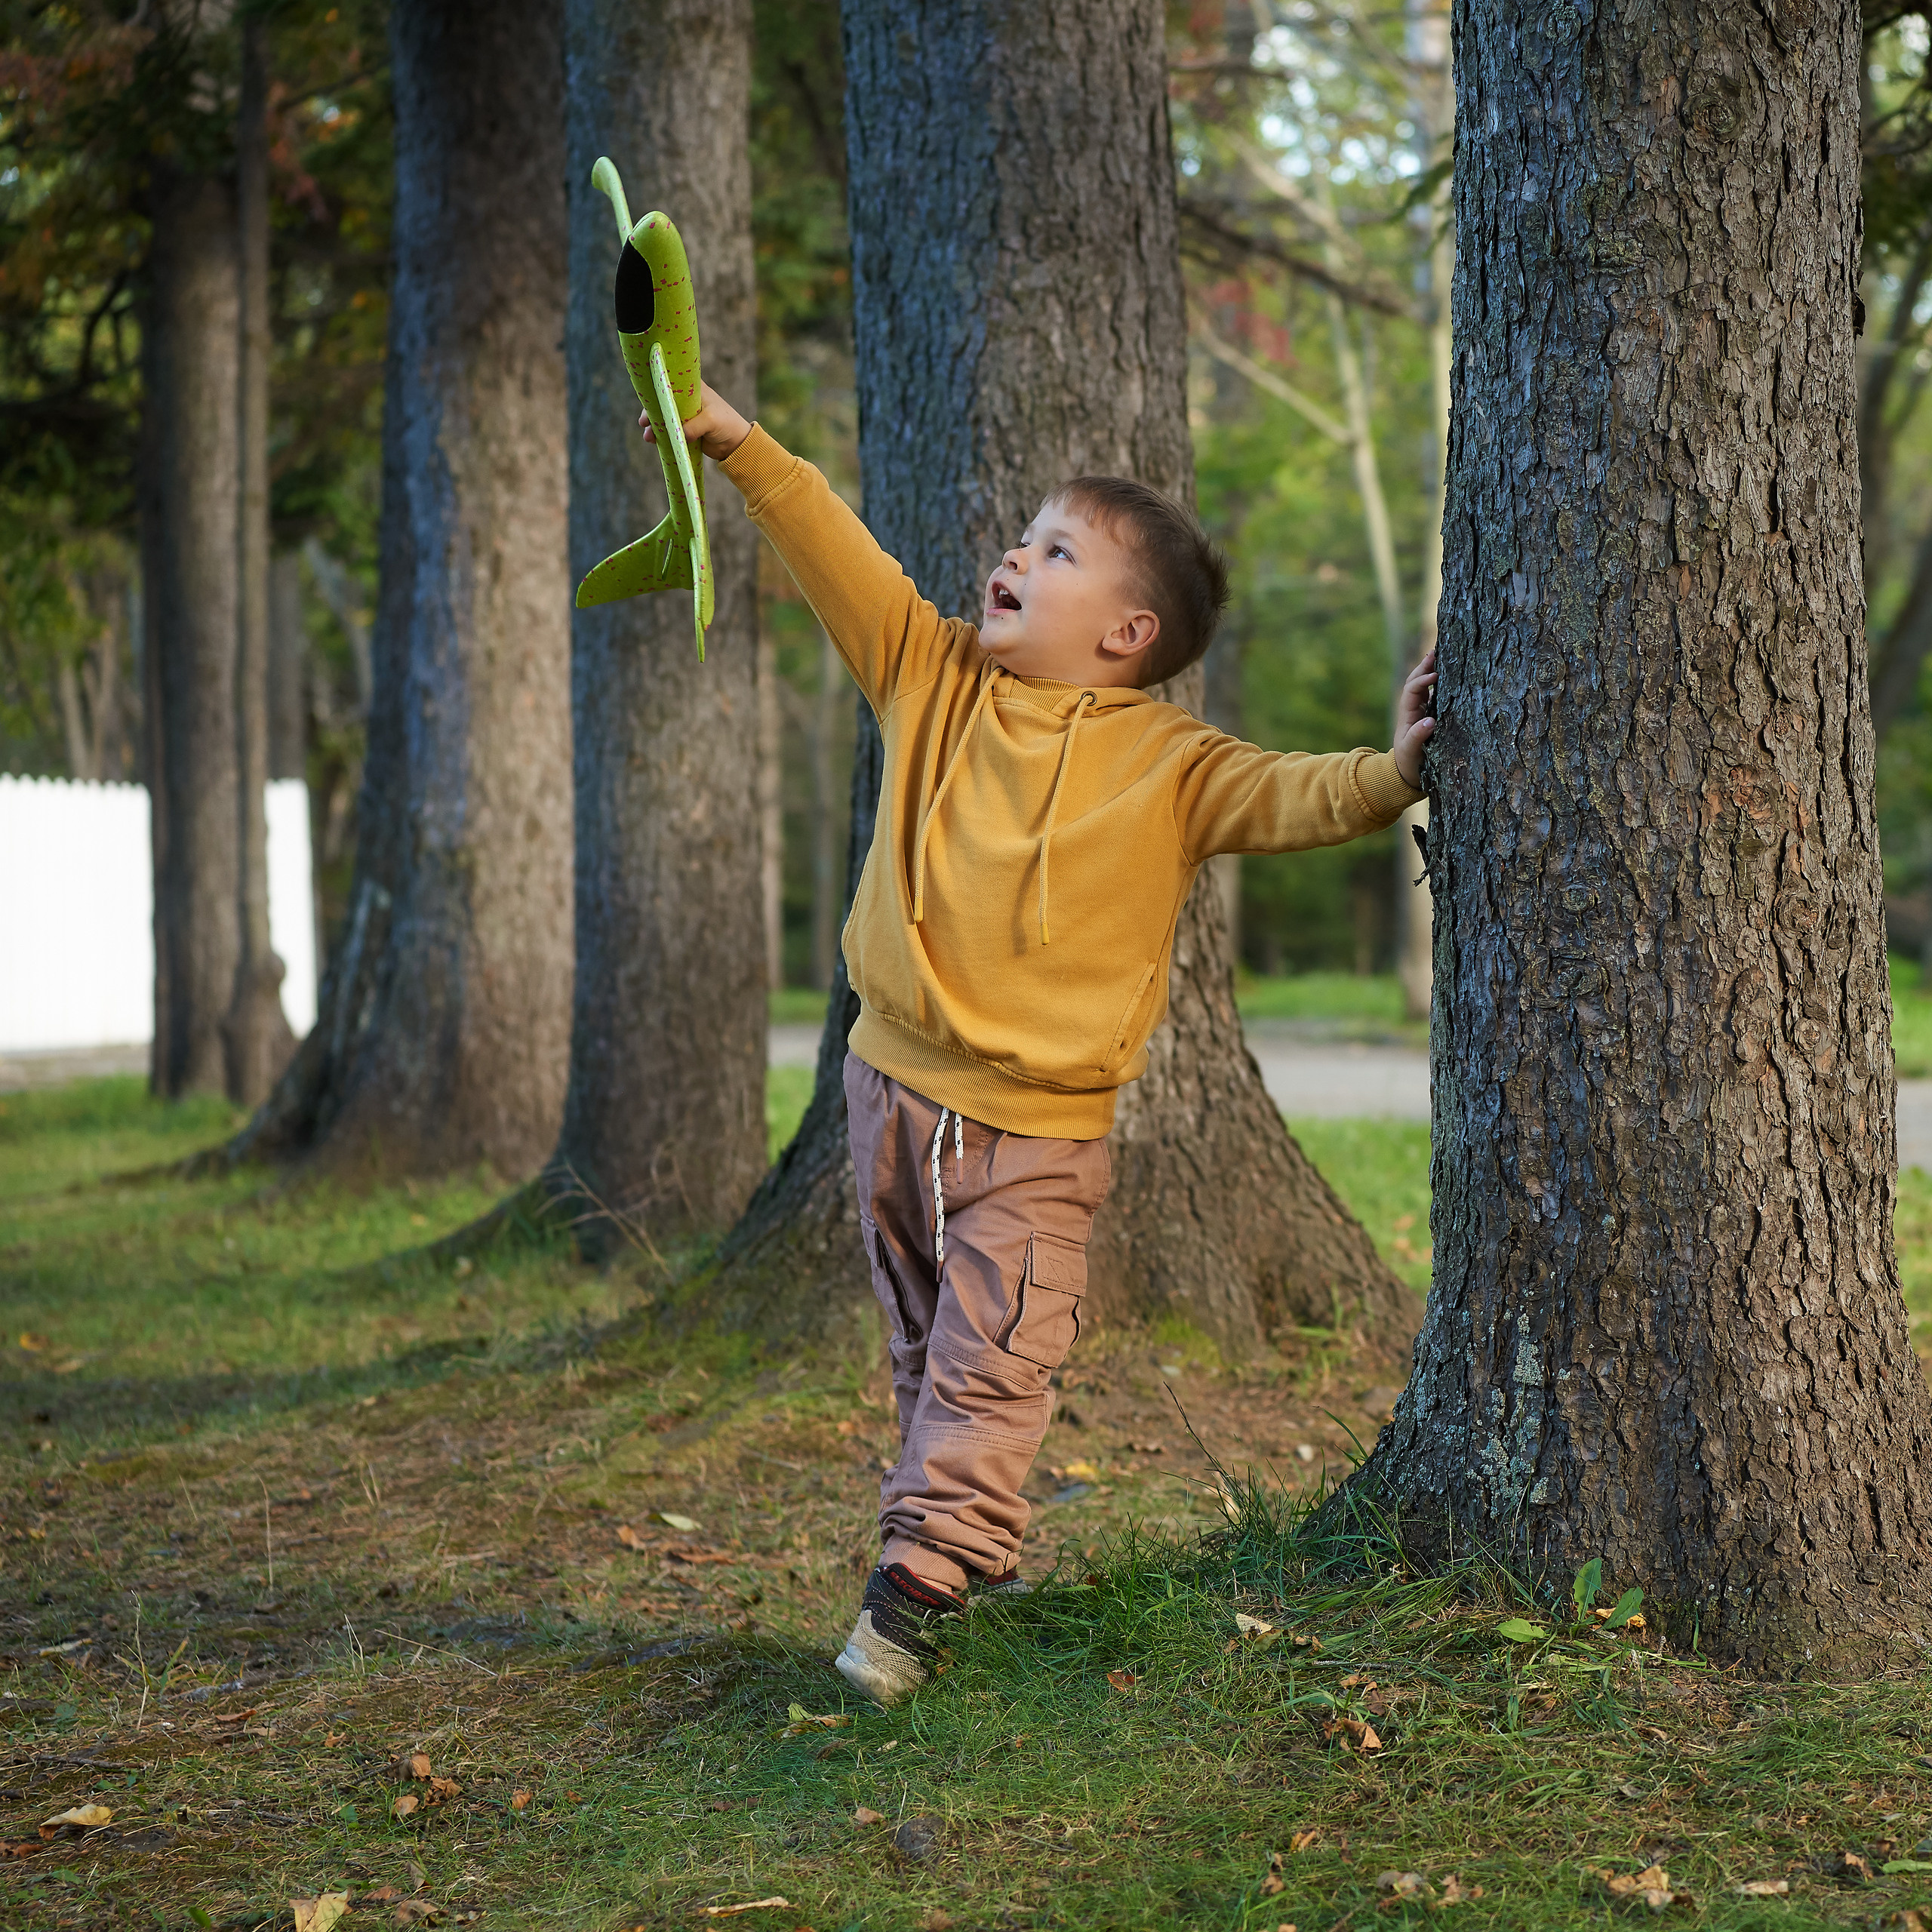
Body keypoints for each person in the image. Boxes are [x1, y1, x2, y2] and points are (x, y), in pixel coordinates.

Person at [645, 386, 1435, 1705]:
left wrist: (1400, 767)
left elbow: (1301, 792)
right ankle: (963, 1560)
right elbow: (831, 543)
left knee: (997, 1355)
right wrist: (732, 438)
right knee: (923, 1353)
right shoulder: (929, 675)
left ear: (1128, 635)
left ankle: (911, 1596)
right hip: (887, 1097)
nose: (1014, 558)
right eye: (1023, 540)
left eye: (1055, 552)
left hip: (1039, 1137)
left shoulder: (1172, 763)